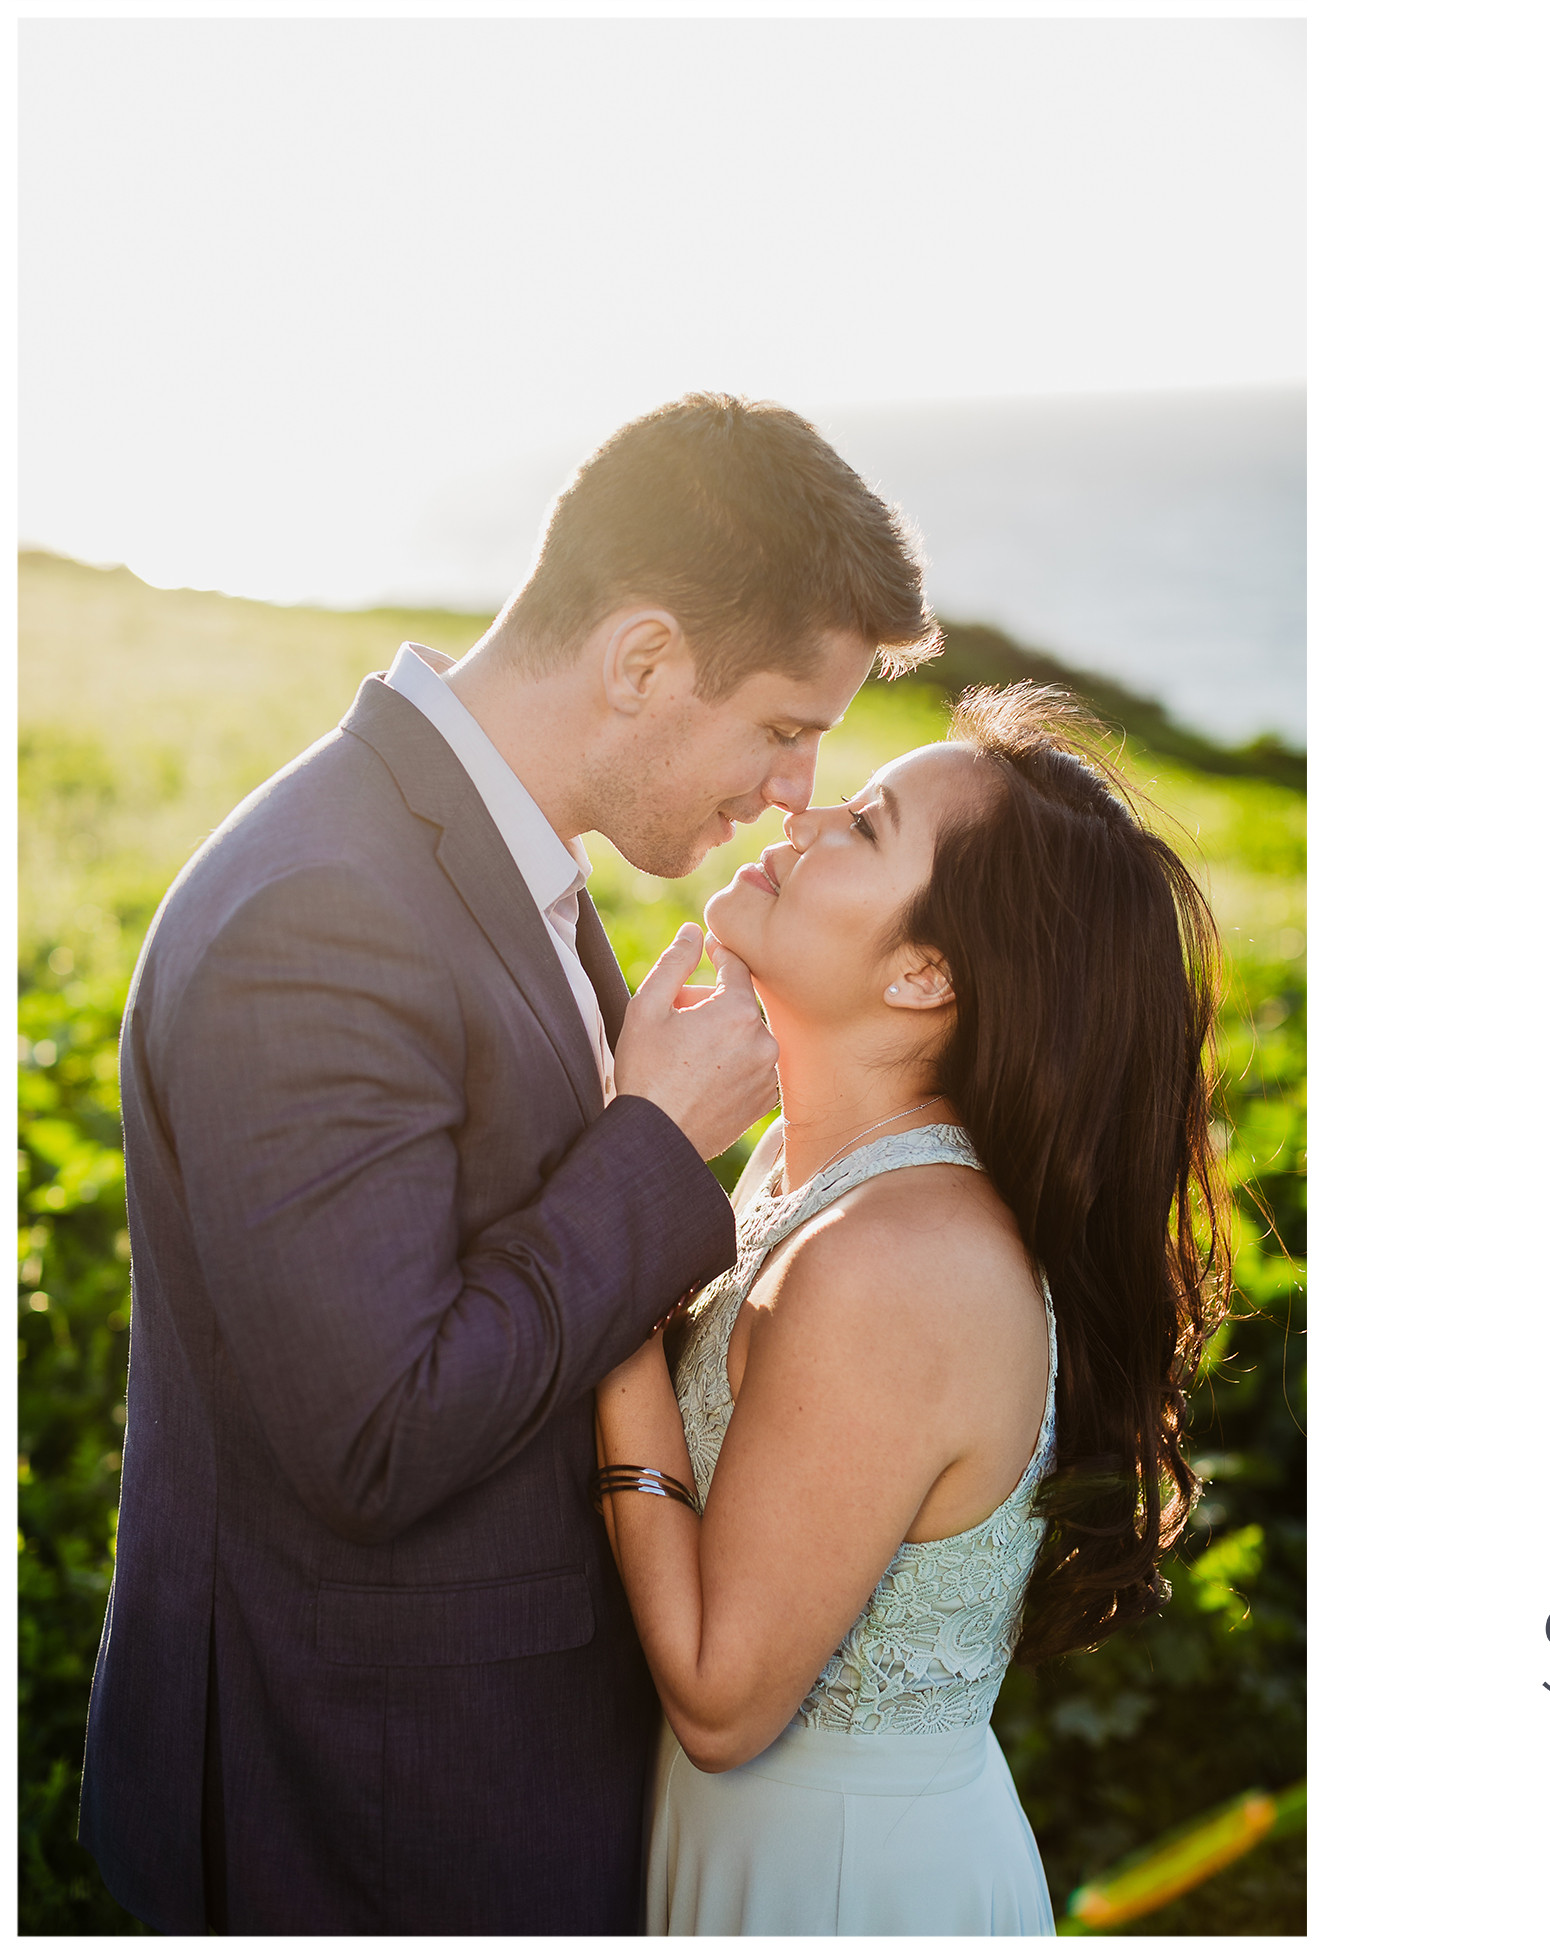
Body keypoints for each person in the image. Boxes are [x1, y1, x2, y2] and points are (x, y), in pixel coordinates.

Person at [81, 394, 940, 1934]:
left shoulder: (497, 870)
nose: (793, 792)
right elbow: (377, 1434)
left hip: (465, 1793)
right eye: (785, 729)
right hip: (367, 1818)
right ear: (642, 662)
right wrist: (661, 1141)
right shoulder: (322, 912)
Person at [591, 684, 1231, 1934]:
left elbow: (724, 1703)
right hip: (750, 1850)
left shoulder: (904, 1260)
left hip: (844, 1882)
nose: (803, 815)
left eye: (867, 827)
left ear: (925, 972)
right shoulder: (799, 1166)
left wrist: (605, 1292)